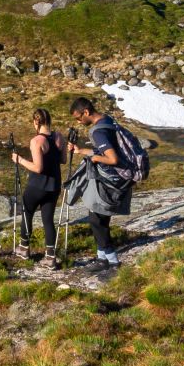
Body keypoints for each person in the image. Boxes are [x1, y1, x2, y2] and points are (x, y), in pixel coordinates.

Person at [64, 96, 129, 266]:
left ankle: (112, 260)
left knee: (95, 220)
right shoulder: (107, 120)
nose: (79, 122)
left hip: (108, 181)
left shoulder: (97, 132)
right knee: (102, 218)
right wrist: (81, 151)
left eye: (79, 117)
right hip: (118, 179)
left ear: (86, 112)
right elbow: (104, 150)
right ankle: (102, 257)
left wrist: (94, 158)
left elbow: (112, 158)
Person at [11, 108, 64, 267]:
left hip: (37, 185)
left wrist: (20, 160)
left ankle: (24, 248)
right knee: (48, 220)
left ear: (36, 122)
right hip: (54, 185)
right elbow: (63, 160)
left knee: (27, 213)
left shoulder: (36, 141)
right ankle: (50, 257)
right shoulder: (59, 136)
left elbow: (38, 168)